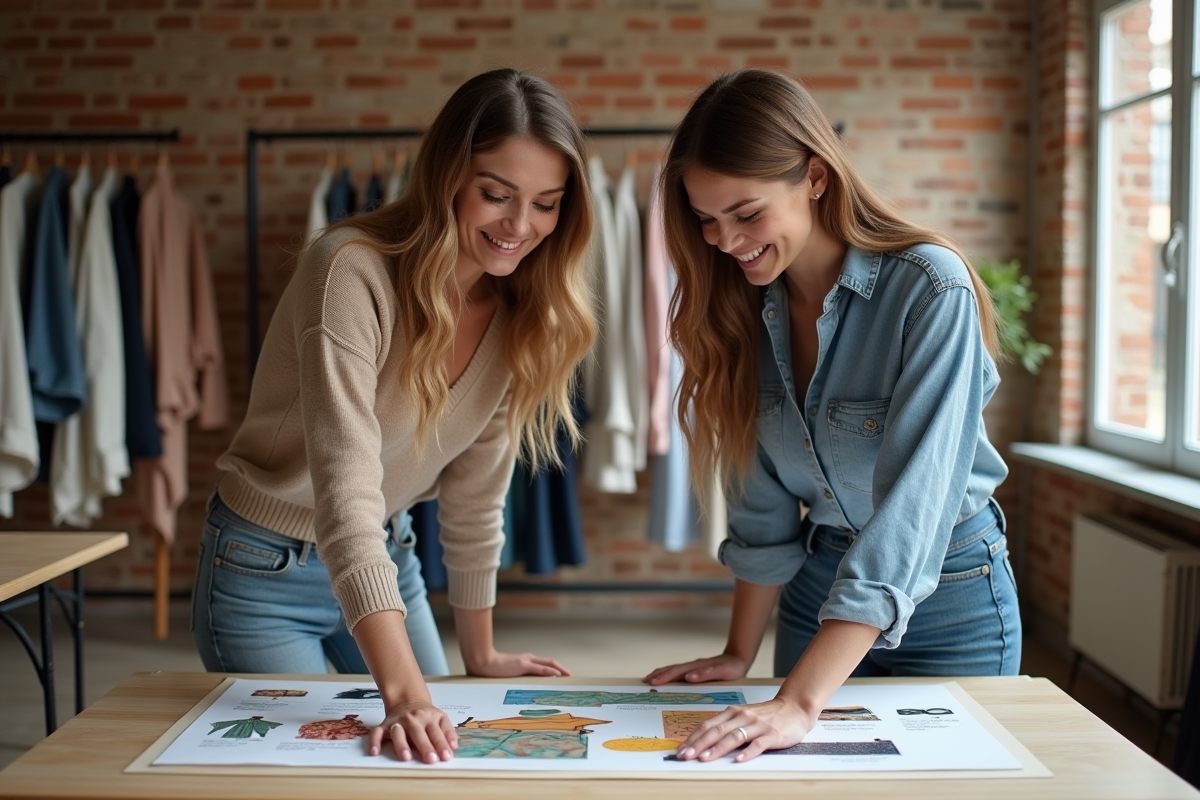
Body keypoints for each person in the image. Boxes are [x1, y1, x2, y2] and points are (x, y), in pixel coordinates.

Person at [191, 68, 596, 764]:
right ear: (446, 179)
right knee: (310, 772)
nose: (519, 226)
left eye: (546, 203)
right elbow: (344, 491)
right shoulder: (348, 270)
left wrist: (482, 653)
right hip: (263, 569)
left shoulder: (519, 312)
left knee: (439, 760)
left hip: (387, 557)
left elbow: (476, 495)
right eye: (496, 195)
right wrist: (407, 695)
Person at [643, 69, 1020, 762]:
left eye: (747, 213)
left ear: (815, 177)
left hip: (949, 595)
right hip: (817, 589)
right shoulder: (738, 310)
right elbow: (760, 509)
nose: (724, 241)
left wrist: (801, 698)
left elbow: (914, 510)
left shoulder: (931, 289)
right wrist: (739, 653)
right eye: (706, 220)